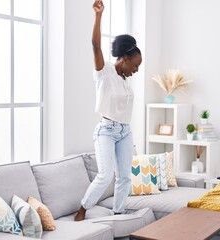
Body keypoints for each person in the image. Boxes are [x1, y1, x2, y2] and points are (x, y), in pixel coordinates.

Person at [74, 0, 142, 221]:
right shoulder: (104, 73)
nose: (136, 70)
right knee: (105, 176)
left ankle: (118, 212)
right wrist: (98, 16)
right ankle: (83, 208)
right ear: (123, 59)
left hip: (125, 131)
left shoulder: (123, 80)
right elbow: (95, 46)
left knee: (124, 177)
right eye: (134, 65)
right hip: (106, 130)